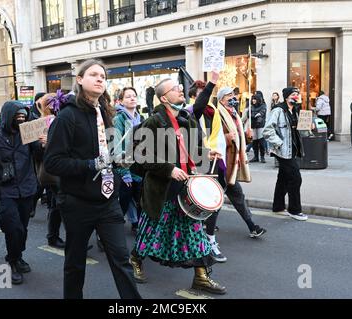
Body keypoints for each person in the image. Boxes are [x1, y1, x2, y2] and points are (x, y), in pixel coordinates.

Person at [44, 59, 141, 299]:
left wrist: (119, 160)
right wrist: (90, 164)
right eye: (94, 75)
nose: (100, 79)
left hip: (108, 201)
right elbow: (53, 162)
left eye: (103, 76)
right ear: (79, 80)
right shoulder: (67, 116)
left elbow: (106, 150)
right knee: (75, 264)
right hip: (78, 203)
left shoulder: (104, 112)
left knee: (122, 261)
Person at [129, 76, 226, 295]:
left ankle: (201, 276)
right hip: (162, 190)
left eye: (180, 87)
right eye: (176, 88)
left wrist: (206, 153)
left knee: (195, 233)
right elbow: (140, 154)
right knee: (150, 231)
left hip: (185, 188)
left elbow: (193, 150)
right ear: (164, 98)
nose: (181, 90)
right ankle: (135, 259)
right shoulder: (153, 122)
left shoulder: (187, 119)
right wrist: (169, 169)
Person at [200, 87, 266, 263]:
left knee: (237, 195)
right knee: (215, 203)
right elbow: (210, 136)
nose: (233, 98)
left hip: (232, 164)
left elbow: (238, 137)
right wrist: (225, 136)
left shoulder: (234, 114)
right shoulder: (216, 113)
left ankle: (252, 226)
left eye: (234, 95)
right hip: (220, 164)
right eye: (229, 96)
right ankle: (208, 237)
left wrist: (246, 136)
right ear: (221, 99)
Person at [0, 101, 45, 285]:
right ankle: (12, 261)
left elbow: (40, 154)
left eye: (23, 116)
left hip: (27, 189)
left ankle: (17, 255)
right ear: (8, 116)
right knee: (13, 229)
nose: (21, 119)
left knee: (22, 228)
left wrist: (44, 143)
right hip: (6, 191)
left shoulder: (27, 134)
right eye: (17, 116)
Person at [263, 87, 308, 221]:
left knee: (282, 178)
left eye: (297, 94)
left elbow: (298, 130)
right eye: (294, 94)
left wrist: (308, 128)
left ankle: (278, 206)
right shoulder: (278, 110)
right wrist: (279, 143)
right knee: (295, 179)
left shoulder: (294, 111)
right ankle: (294, 210)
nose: (296, 96)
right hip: (283, 151)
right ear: (287, 97)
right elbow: (267, 130)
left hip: (292, 150)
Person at [35, 91, 68, 249]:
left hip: (63, 169)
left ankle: (53, 237)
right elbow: (35, 151)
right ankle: (72, 239)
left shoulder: (62, 118)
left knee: (57, 205)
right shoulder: (41, 123)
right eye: (50, 102)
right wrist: (45, 143)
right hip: (53, 172)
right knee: (64, 204)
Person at [113, 87, 144, 234]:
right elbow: (117, 147)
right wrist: (124, 171)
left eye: (134, 96)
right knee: (124, 200)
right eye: (128, 97)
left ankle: (136, 224)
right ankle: (112, 228)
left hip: (140, 166)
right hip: (125, 167)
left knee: (140, 200)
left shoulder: (142, 118)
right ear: (120, 101)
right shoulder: (118, 119)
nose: (132, 98)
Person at [243, 94, 267, 163]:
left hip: (260, 125)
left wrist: (255, 115)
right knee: (254, 142)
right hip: (253, 125)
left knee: (261, 141)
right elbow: (248, 115)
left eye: (255, 99)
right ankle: (256, 156)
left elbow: (261, 113)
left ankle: (262, 156)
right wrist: (253, 115)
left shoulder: (263, 105)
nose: (253, 100)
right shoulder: (251, 106)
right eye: (253, 99)